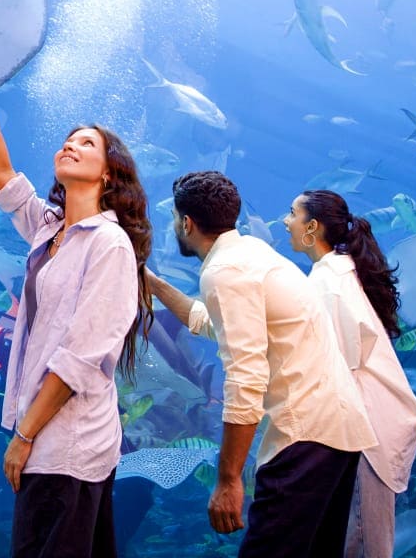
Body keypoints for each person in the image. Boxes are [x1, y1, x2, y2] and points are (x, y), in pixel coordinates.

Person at [0, 36, 153, 558]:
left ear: (108, 172)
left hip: (68, 445)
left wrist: (23, 436)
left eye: (86, 144)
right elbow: (3, 175)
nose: (70, 146)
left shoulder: (109, 244)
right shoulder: (50, 230)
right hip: (48, 440)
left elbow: (81, 358)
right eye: (67, 141)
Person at [144, 170, 377, 558]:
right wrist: (153, 283)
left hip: (305, 437)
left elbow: (245, 377)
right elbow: (211, 323)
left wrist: (228, 478)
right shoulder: (250, 253)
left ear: (186, 223)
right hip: (335, 433)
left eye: (173, 219)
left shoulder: (225, 271)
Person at [284, 190, 416, 558]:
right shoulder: (339, 274)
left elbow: (337, 368)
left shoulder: (329, 284)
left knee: (361, 546)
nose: (285, 221)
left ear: (312, 227)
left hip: (362, 436)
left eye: (292, 214)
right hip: (365, 430)